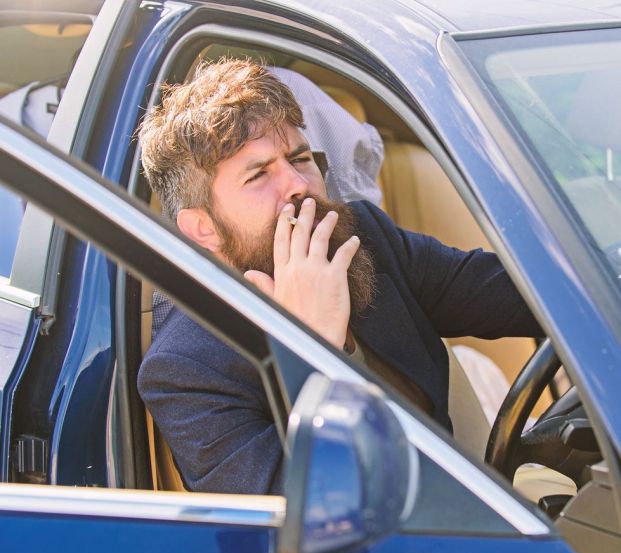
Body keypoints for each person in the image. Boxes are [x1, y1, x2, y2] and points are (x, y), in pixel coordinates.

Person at [137, 58, 541, 495]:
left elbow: (526, 296)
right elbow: (306, 520)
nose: (298, 184)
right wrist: (315, 350)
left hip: (476, 511)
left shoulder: (367, 240)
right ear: (204, 229)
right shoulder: (186, 371)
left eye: (300, 158)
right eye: (258, 175)